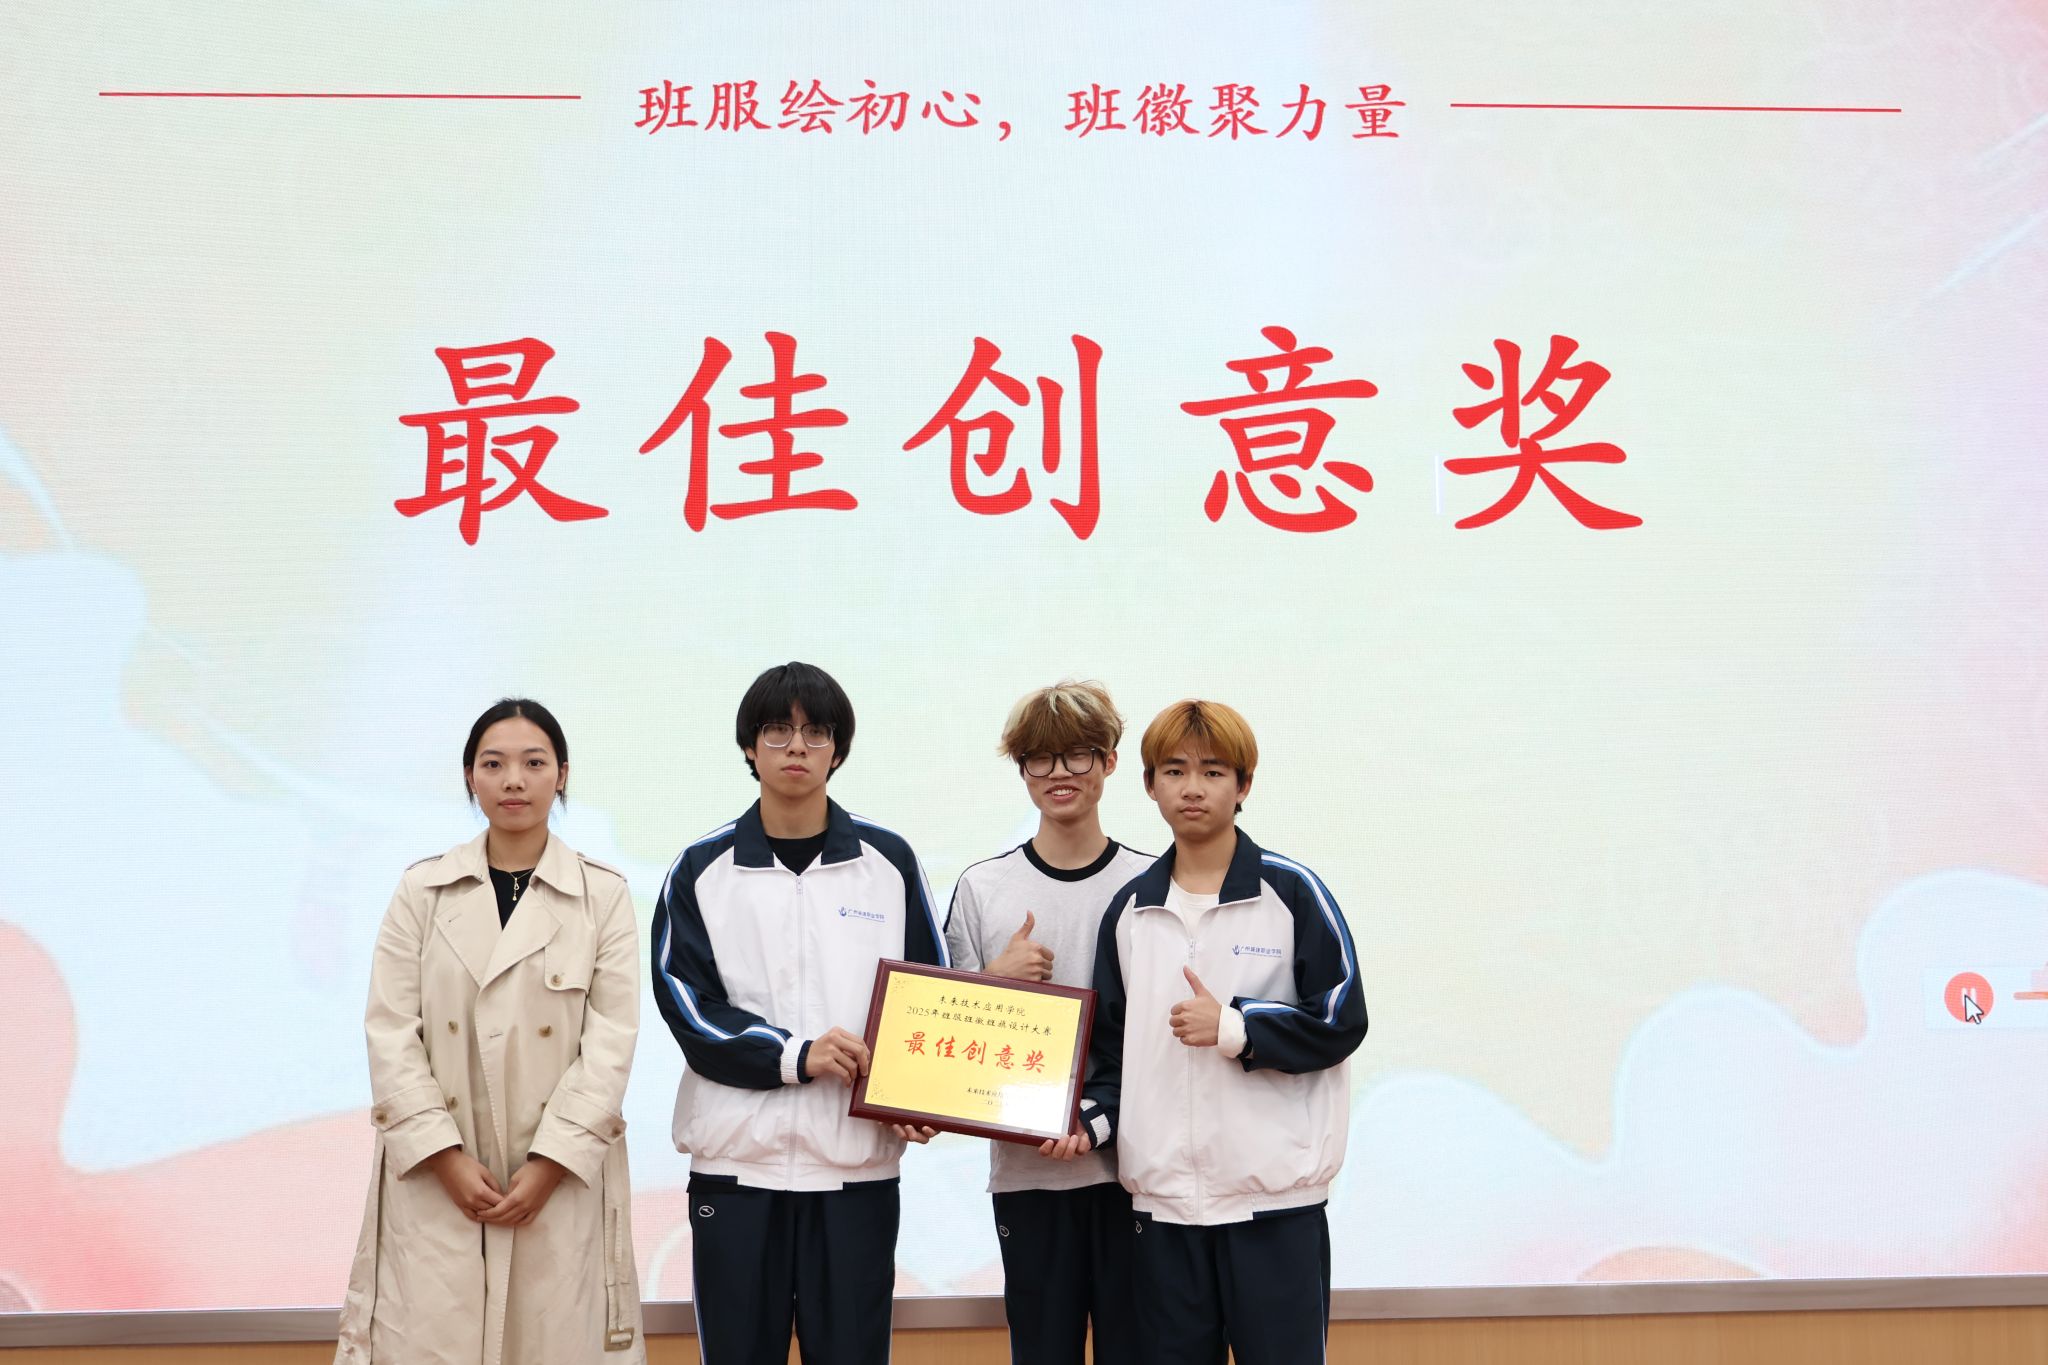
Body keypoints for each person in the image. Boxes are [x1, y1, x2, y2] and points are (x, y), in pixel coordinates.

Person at [652, 661, 947, 1365]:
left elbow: (929, 996)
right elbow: (687, 1006)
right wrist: (796, 1054)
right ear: (748, 746)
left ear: (837, 750)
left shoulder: (888, 861)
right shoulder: (701, 867)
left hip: (854, 1175)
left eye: (816, 732)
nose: (796, 746)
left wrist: (919, 1097)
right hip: (735, 1171)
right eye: (777, 730)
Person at [337, 698, 645, 1365]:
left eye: (534, 763)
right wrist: (443, 1156)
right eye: (494, 764)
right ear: (470, 776)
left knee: (554, 1341)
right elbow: (390, 1030)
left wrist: (551, 1162)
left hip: (557, 1176)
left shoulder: (603, 895)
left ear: (562, 774)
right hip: (438, 1173)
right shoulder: (422, 890)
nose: (514, 781)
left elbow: (612, 1040)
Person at [1062, 699, 1366, 1365]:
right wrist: (1089, 1121)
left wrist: (1235, 1025)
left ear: (1244, 784)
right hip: (1163, 1212)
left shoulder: (1292, 892)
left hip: (1274, 1208)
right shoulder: (1130, 910)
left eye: (1213, 771)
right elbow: (1110, 1052)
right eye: (1174, 771)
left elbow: (1340, 1020)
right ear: (1149, 785)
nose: (1192, 788)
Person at [944, 680, 1151, 1365]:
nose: (1059, 772)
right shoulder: (982, 888)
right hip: (1027, 1174)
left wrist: (1099, 1116)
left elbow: (1164, 1043)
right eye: (1040, 757)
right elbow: (946, 1048)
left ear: (1110, 761)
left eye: (1078, 754)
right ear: (1022, 768)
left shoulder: (1152, 884)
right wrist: (992, 980)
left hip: (1134, 1174)